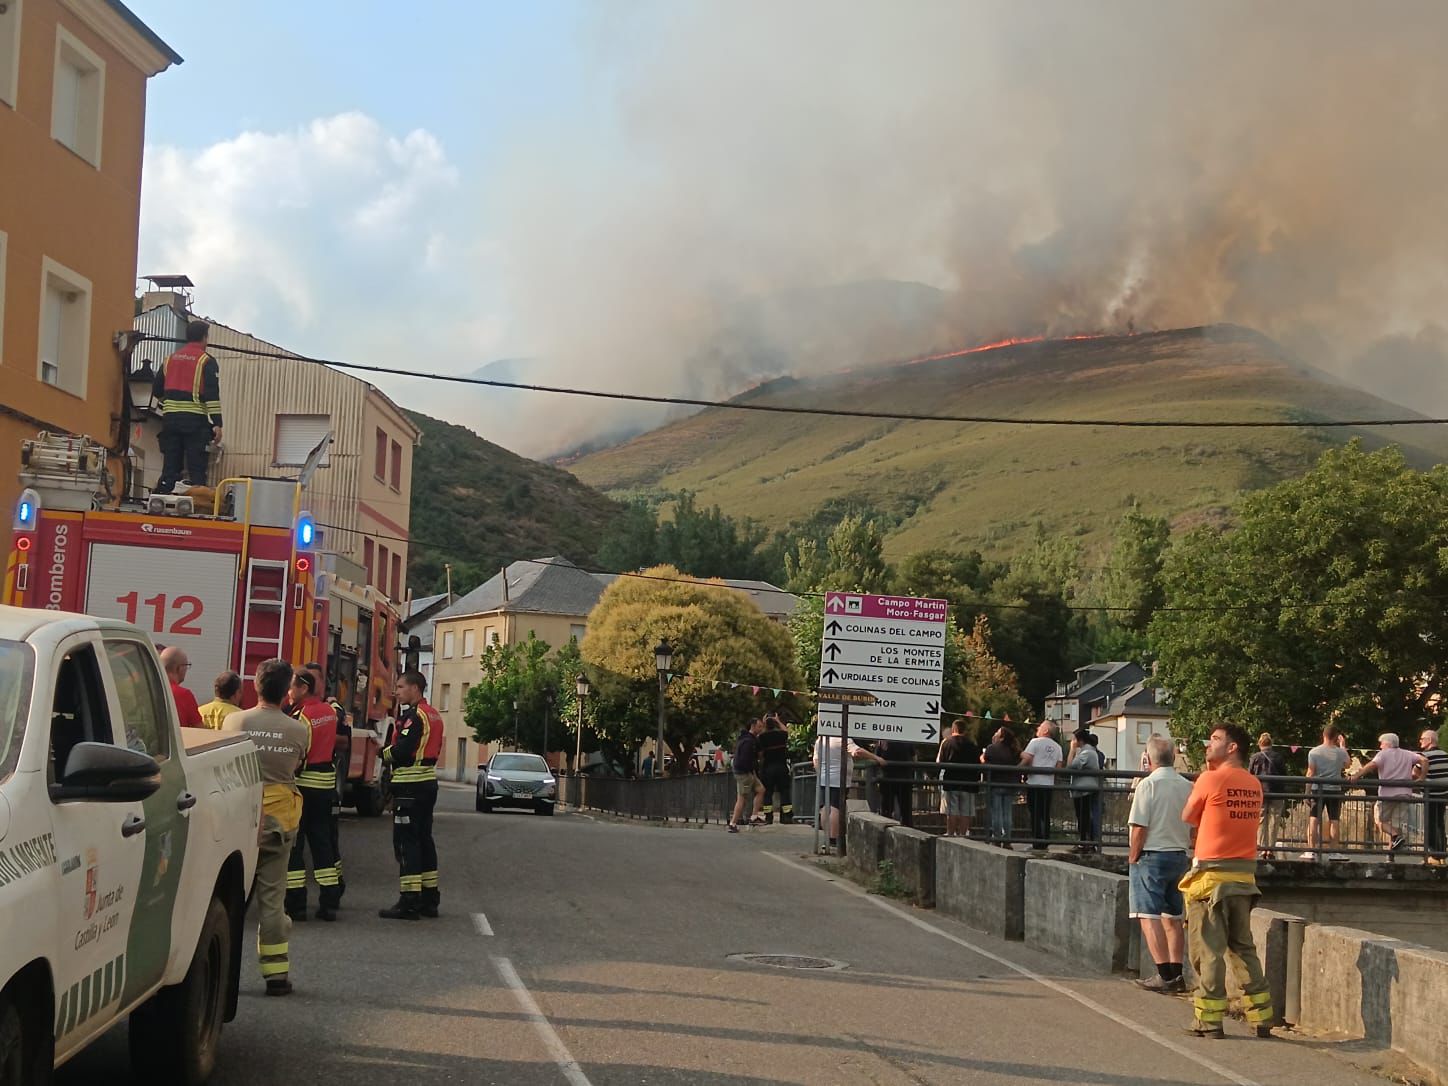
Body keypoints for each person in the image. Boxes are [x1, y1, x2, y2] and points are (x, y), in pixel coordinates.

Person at [1180, 723, 1274, 1039]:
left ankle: (1209, 1020)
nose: (1209, 743)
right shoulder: (1254, 784)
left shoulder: (1210, 778)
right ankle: (1261, 1018)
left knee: (1208, 951)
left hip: (1211, 879)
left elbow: (1189, 816)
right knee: (1243, 949)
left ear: (1232, 747)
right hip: (1244, 878)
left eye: (1216, 740)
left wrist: (1208, 773)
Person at [227, 658, 310, 996]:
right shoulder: (298, 729)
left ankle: (224, 975)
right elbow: (299, 764)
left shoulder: (234, 721)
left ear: (256, 685)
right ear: (286, 691)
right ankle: (276, 976)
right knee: (273, 899)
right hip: (278, 820)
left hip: (237, 818)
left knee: (229, 900)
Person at [1129, 736, 1194, 994]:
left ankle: (1163, 974)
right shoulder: (1186, 785)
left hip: (1152, 854)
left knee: (1148, 915)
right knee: (1173, 916)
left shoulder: (1148, 785)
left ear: (1149, 758)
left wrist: (1133, 856)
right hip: (1178, 853)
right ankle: (1177, 974)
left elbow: (1139, 826)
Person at [380, 670, 444, 919]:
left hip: (410, 785)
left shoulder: (414, 716)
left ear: (415, 689)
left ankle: (409, 901)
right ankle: (430, 898)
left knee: (407, 843)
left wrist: (383, 753)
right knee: (425, 840)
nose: (396, 691)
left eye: (400, 686)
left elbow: (404, 751)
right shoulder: (434, 715)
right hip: (427, 782)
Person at [284, 668, 342, 922]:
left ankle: (296, 905)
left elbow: (298, 755)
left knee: (295, 846)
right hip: (325, 785)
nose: (288, 692)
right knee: (322, 843)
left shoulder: (301, 717)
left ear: (303, 688)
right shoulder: (329, 712)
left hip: (303, 785)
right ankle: (329, 901)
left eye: (292, 687)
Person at [152, 319, 222, 494]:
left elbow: (157, 389)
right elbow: (212, 397)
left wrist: (167, 404)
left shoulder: (169, 359)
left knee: (170, 466)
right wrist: (217, 423)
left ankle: (162, 499)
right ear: (204, 338)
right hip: (195, 422)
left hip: (170, 421)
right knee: (197, 469)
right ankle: (197, 501)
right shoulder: (206, 361)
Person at [1348, 733, 1426, 854]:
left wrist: (1357, 775)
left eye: (1381, 743)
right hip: (1405, 793)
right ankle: (1391, 854)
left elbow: (1372, 765)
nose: (1380, 746)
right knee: (1396, 824)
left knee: (1380, 821)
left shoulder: (1383, 754)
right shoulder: (1407, 753)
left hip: (1388, 794)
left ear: (1388, 744)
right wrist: (1422, 777)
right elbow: (1424, 759)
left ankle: (1396, 838)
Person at [813, 731, 885, 850]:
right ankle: (833, 839)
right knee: (836, 808)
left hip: (823, 779)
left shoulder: (820, 740)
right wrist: (876, 757)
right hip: (839, 779)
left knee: (825, 808)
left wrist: (820, 774)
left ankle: (826, 838)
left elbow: (815, 761)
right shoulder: (842, 738)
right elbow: (857, 751)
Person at [1303, 724, 1350, 859]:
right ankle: (1334, 851)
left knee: (1314, 819)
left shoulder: (1314, 752)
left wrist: (1307, 791)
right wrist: (1342, 745)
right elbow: (1347, 764)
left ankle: (1311, 850)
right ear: (1336, 737)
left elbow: (1310, 772)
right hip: (1334, 789)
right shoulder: (1340, 752)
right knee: (1334, 820)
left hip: (1317, 789)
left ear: (1323, 735)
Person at [1019, 721, 1063, 850]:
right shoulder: (1058, 747)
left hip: (1034, 782)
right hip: (1048, 784)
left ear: (1046, 731)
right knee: (1045, 813)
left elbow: (1027, 758)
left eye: (1040, 726)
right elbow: (1059, 768)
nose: (1037, 728)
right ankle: (1045, 840)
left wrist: (1017, 768)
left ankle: (1036, 840)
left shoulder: (1034, 742)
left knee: (1035, 813)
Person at [936, 718, 981, 837]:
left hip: (951, 781)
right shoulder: (972, 744)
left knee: (951, 810)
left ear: (953, 729)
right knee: (966, 811)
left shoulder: (947, 743)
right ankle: (963, 835)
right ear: (964, 730)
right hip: (969, 783)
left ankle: (950, 833)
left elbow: (940, 762)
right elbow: (978, 764)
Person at [1248, 732, 1287, 859]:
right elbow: (1284, 775)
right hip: (1277, 792)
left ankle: (1262, 848)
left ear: (1259, 744)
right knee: (1274, 820)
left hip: (1260, 792)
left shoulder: (1254, 758)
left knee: (1261, 820)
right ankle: (1271, 849)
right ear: (1271, 743)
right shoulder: (1278, 757)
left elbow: (1250, 775)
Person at [981, 727, 1022, 845]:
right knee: (1007, 812)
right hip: (1010, 784)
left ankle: (997, 838)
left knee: (996, 812)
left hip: (995, 783)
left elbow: (985, 762)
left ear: (1001, 737)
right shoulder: (1014, 749)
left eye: (997, 732)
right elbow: (1023, 758)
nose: (995, 733)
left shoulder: (991, 748)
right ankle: (1007, 838)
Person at [1068, 728, 1104, 853]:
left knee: (1083, 816)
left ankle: (1085, 843)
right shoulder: (1088, 751)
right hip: (1082, 788)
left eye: (1074, 739)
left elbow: (1071, 766)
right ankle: (1085, 842)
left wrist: (1072, 750)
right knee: (1083, 816)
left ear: (1080, 740)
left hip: (1084, 789)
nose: (1072, 741)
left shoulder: (1087, 752)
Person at [728, 717, 766, 833]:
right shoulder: (749, 742)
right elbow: (746, 759)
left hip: (748, 772)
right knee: (742, 798)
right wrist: (751, 769)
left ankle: (754, 816)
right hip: (744, 773)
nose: (761, 729)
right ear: (753, 726)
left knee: (761, 790)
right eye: (759, 726)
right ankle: (733, 823)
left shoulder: (746, 738)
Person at [1418, 728, 1448, 865]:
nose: (1420, 741)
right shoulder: (1445, 755)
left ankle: (1433, 855)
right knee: (1440, 824)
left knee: (1430, 824)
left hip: (1430, 794)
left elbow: (1415, 773)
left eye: (1422, 739)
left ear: (1429, 740)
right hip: (1443, 794)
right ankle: (1442, 854)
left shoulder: (1424, 756)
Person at [757, 713, 793, 825]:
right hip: (781, 767)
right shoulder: (781, 735)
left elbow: (759, 750)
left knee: (768, 793)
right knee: (784, 792)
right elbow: (787, 731)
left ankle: (768, 817)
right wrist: (778, 721)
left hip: (768, 768)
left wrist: (763, 724)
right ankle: (786, 817)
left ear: (765, 725)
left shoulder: (762, 737)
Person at [159, 645, 204, 728]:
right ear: (179, 668)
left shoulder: (147, 690)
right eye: (186, 665)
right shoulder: (184, 695)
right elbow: (200, 730)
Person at [875, 737, 915, 827]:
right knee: (906, 810)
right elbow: (914, 757)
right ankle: (908, 829)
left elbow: (877, 757)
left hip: (887, 778)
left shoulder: (882, 740)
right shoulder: (907, 740)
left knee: (886, 809)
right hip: (905, 778)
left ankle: (884, 830)